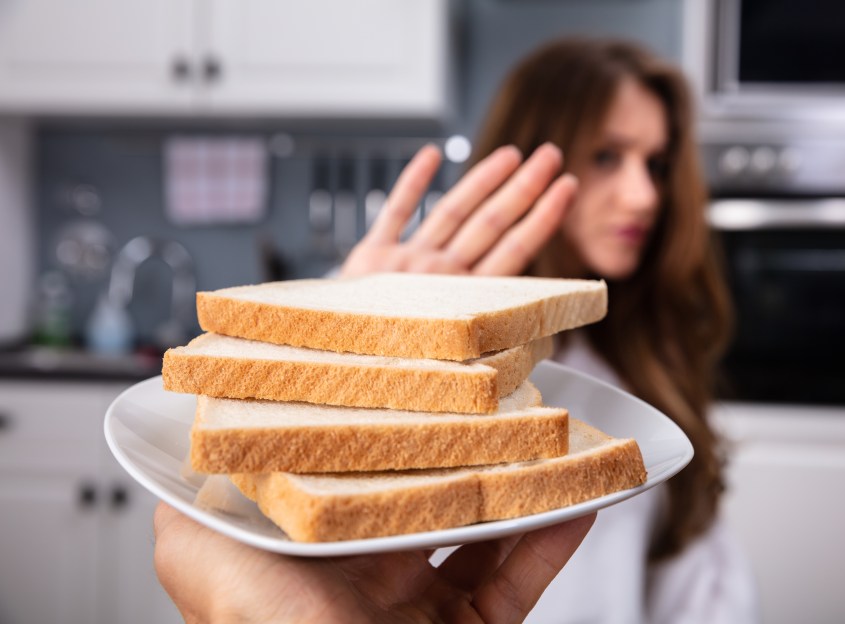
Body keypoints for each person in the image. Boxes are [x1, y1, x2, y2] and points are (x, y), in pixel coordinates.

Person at [153, 37, 757, 622]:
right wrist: (354, 312)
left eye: (656, 163)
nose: (643, 194)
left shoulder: (651, 355)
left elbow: (700, 575)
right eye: (606, 156)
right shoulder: (425, 320)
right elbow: (234, 489)